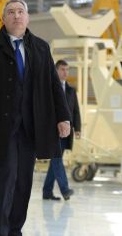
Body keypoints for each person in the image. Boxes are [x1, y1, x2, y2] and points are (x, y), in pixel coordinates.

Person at [0, 0, 71, 236]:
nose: (16, 16)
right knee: (6, 176)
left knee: (24, 181)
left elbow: (54, 85)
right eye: (11, 12)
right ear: (3, 19)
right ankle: (2, 231)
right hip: (2, 126)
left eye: (21, 12)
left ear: (28, 18)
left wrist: (63, 117)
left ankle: (15, 229)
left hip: (31, 126)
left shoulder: (41, 47)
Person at [42, 60, 81, 201]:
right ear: (56, 70)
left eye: (67, 69)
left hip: (67, 133)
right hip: (53, 132)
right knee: (57, 160)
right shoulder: (48, 88)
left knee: (55, 162)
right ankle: (65, 190)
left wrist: (77, 128)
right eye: (63, 69)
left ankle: (47, 191)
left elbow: (75, 111)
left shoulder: (71, 90)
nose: (66, 72)